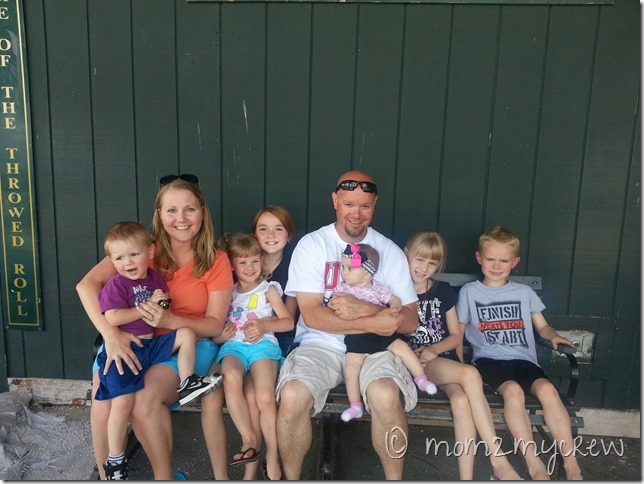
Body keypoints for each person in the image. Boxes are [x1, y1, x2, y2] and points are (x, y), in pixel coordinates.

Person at [76, 174, 234, 480]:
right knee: (104, 400)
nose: (181, 219)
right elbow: (86, 286)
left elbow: (214, 325)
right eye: (171, 210)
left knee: (143, 401)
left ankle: (165, 478)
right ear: (159, 214)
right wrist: (111, 335)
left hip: (186, 344)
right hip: (129, 338)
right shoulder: (140, 248)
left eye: (190, 209)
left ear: (203, 212)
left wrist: (170, 321)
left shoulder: (216, 260)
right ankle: (108, 476)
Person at [275, 170, 419, 480]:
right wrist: (375, 321)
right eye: (349, 204)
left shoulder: (389, 251)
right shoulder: (313, 245)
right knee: (293, 393)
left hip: (374, 349)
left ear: (374, 205)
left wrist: (367, 309)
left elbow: (410, 321)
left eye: (365, 206)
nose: (356, 213)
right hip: (321, 343)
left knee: (385, 393)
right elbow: (313, 316)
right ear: (335, 201)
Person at [96, 221, 222, 479]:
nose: (128, 262)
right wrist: (143, 310)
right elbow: (113, 317)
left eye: (134, 254)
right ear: (112, 260)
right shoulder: (117, 284)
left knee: (186, 333)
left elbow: (163, 304)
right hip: (127, 348)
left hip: (151, 344)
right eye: (119, 258)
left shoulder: (154, 277)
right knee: (122, 402)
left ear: (150, 252)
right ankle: (115, 462)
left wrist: (162, 305)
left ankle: (188, 382)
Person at [457, 226, 583, 480]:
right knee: (513, 391)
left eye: (503, 261)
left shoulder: (524, 293)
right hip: (489, 361)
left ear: (514, 263)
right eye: (490, 259)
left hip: (524, 360)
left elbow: (542, 326)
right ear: (479, 258)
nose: (496, 266)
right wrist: (460, 365)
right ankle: (534, 463)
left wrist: (553, 335)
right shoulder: (469, 292)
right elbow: (457, 332)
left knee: (548, 390)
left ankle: (571, 463)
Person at [402, 230, 521, 480]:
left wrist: (435, 349)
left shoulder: (443, 290)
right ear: (406, 255)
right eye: (419, 260)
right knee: (469, 374)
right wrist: (420, 353)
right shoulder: (395, 291)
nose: (424, 268)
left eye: (432, 263)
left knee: (461, 401)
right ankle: (498, 459)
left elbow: (456, 336)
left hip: (442, 361)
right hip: (415, 362)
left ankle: (466, 478)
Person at [217, 233, 293, 480]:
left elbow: (287, 322)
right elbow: (216, 325)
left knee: (264, 396)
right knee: (230, 376)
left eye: (255, 261)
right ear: (232, 265)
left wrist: (263, 325)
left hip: (262, 347)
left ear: (262, 261)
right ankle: (248, 438)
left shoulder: (268, 289)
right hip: (234, 347)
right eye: (242, 262)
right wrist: (219, 337)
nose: (250, 268)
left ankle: (272, 454)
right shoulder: (228, 292)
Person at [334, 242, 437, 423]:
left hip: (382, 332)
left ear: (367, 273)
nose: (344, 272)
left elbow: (394, 299)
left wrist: (394, 309)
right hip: (357, 335)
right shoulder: (343, 289)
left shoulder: (378, 288)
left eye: (350, 268)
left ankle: (421, 378)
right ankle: (355, 405)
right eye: (343, 267)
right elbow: (334, 305)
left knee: (402, 348)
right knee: (350, 368)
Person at [252, 205, 299, 354]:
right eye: (263, 229)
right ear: (255, 235)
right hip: (243, 335)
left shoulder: (295, 266)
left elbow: (289, 318)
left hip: (281, 339)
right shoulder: (246, 265)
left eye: (278, 229)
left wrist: (262, 325)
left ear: (289, 235)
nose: (271, 235)